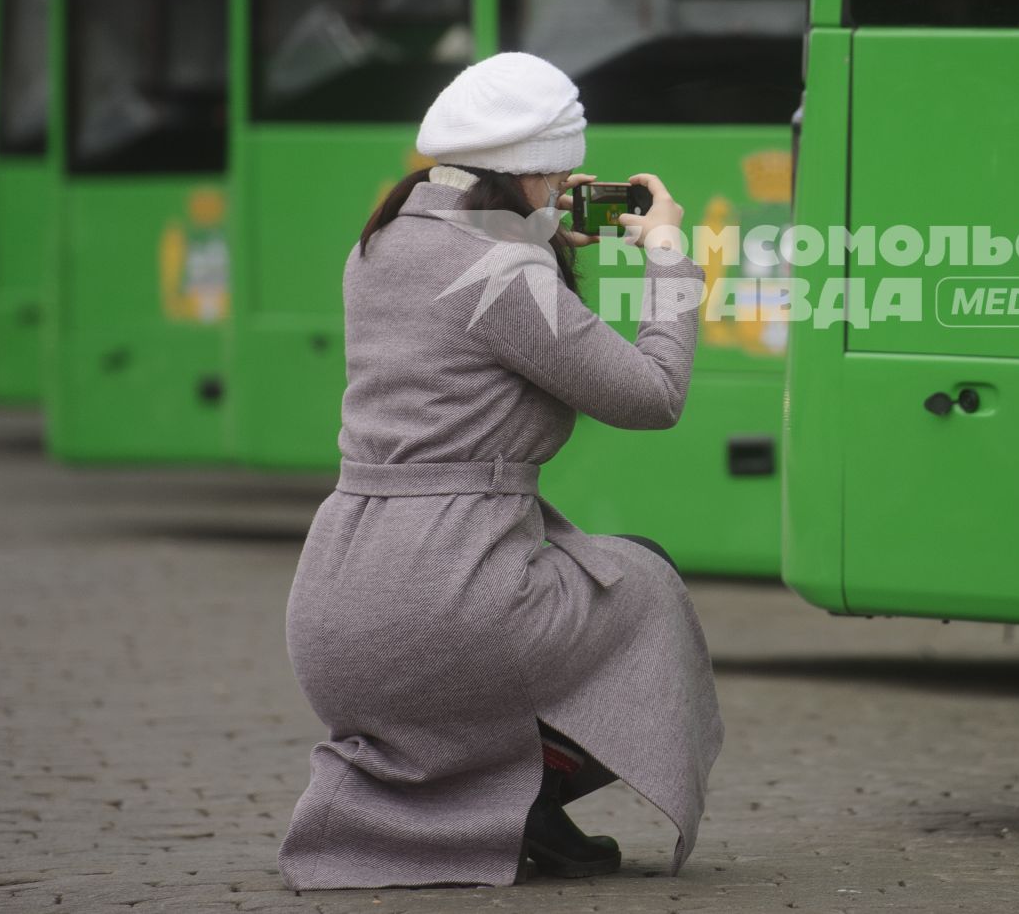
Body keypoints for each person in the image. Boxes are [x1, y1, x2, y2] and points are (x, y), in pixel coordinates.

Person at [277, 51, 722, 891]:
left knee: (596, 577)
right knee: (646, 583)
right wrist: (666, 255)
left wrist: (539, 230)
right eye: (557, 178)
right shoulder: (505, 271)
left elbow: (459, 295)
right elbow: (653, 396)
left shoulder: (382, 242)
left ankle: (517, 813)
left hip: (334, 609)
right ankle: (522, 805)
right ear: (535, 170)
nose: (563, 193)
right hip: (445, 603)